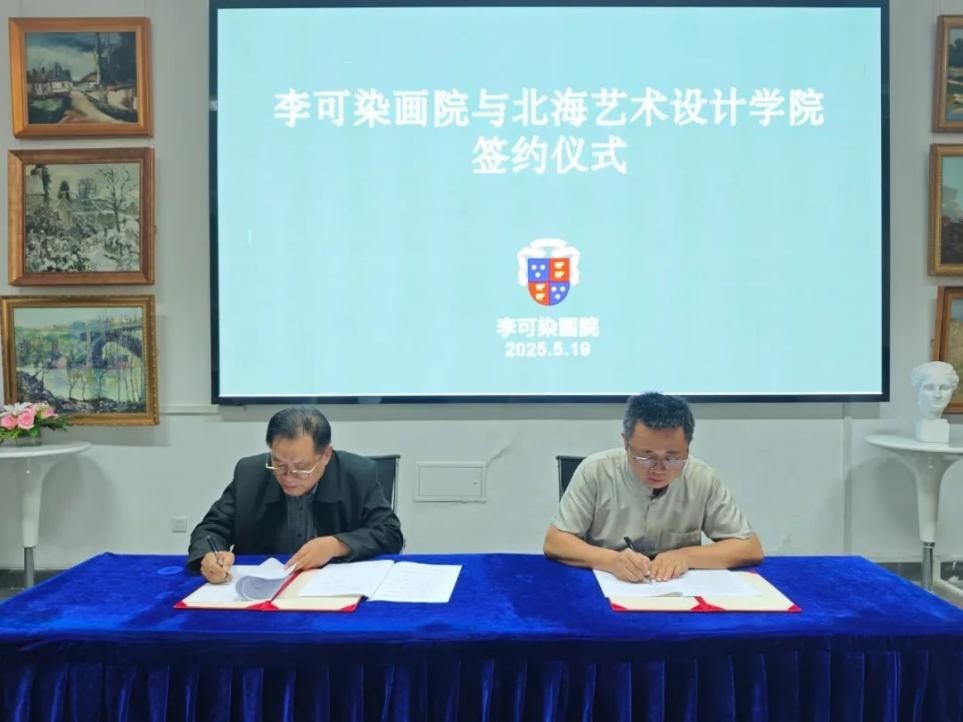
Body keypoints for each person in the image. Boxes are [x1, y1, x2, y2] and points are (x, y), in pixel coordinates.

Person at [543, 392, 763, 583]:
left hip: (676, 591)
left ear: (687, 448)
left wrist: (685, 556)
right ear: (626, 443)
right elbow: (555, 541)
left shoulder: (702, 478)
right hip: (606, 585)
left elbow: (749, 547)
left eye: (673, 457)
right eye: (646, 456)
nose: (659, 468)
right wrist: (611, 560)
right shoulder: (595, 471)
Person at [188, 406, 403, 582]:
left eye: (301, 467)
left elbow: (390, 533)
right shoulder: (249, 473)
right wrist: (209, 556)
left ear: (326, 455)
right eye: (278, 464)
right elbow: (211, 529)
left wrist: (336, 545)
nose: (288, 476)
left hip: (329, 588)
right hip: (263, 591)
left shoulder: (357, 474)